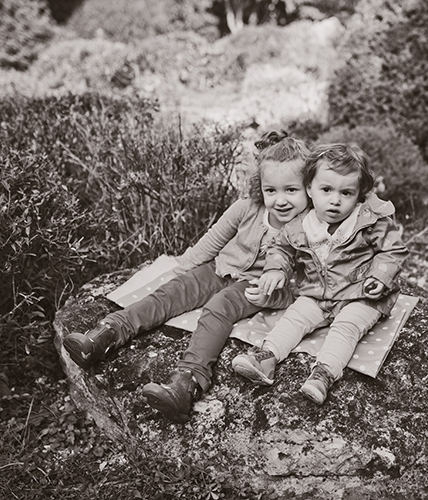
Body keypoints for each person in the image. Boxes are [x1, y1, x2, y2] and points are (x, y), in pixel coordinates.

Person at [63, 130, 310, 423]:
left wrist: (273, 297)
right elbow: (212, 241)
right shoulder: (246, 208)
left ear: (309, 187)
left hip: (253, 286)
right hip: (220, 268)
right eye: (272, 191)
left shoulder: (308, 228)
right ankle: (106, 334)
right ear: (261, 187)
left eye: (291, 190)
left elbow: (302, 285)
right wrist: (180, 268)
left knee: (218, 309)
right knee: (172, 291)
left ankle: (186, 383)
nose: (280, 200)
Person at [232, 143, 409, 405]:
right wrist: (275, 269)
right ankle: (266, 357)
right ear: (310, 189)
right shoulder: (300, 224)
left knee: (346, 328)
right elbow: (281, 248)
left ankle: (323, 374)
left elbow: (393, 250)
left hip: (360, 294)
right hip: (316, 291)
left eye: (346, 192)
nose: (335, 200)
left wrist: (379, 278)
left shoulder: (369, 220)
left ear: (359, 194)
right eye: (326, 190)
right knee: (294, 318)